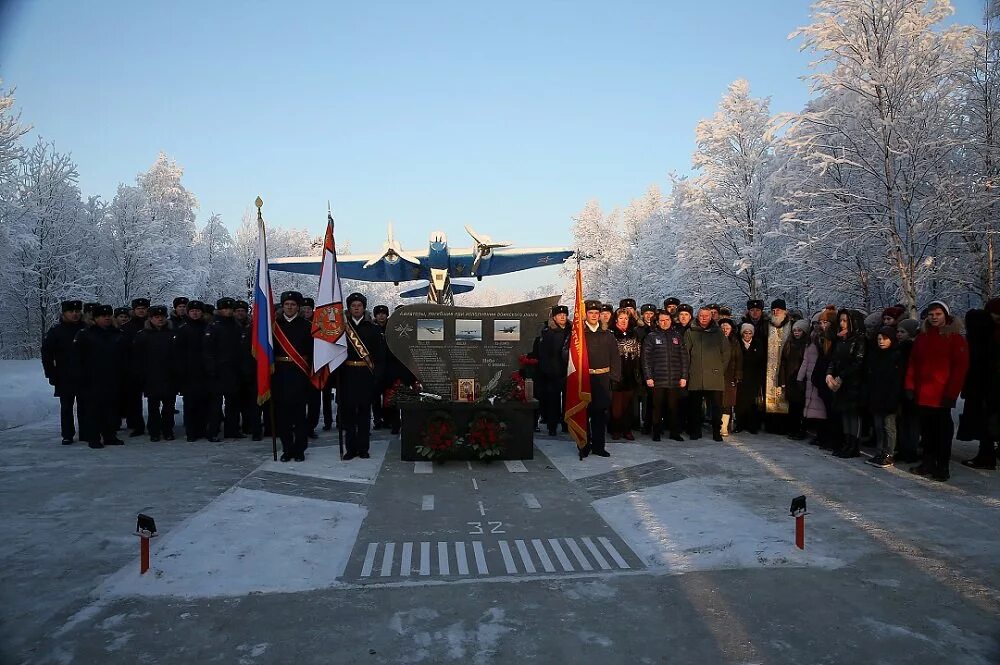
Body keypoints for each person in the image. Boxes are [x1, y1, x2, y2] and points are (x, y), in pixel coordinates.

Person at [905, 301, 969, 482]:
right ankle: (927, 462)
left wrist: (951, 394)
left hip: (941, 395)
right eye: (931, 315)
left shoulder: (955, 338)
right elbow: (913, 364)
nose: (934, 318)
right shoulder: (922, 337)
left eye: (938, 314)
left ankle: (942, 466)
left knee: (942, 433)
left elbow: (960, 369)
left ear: (946, 316)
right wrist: (909, 386)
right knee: (926, 433)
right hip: (923, 393)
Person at [337, 293, 385, 460]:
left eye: (359, 305)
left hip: (366, 375)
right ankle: (350, 448)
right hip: (347, 375)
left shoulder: (373, 329)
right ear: (349, 309)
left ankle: (363, 448)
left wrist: (376, 376)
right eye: (353, 306)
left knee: (364, 414)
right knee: (349, 415)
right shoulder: (342, 329)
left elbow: (380, 356)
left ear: (364, 308)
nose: (356, 308)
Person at [72, 304, 128, 448]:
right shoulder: (85, 334)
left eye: (109, 315)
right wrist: (80, 377)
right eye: (103, 316)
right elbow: (77, 358)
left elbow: (125, 356)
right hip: (92, 378)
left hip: (114, 377)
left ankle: (110, 436)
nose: (107, 318)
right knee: (93, 410)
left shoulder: (117, 333)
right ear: (95, 318)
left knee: (112, 409)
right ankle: (94, 437)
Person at [272, 291, 313, 462]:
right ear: (283, 306)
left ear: (298, 307)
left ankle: (300, 449)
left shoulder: (307, 325)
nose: (290, 307)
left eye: (293, 304)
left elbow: (312, 352)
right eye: (287, 304)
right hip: (280, 375)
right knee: (282, 417)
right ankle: (287, 449)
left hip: (300, 374)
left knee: (299, 416)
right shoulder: (274, 326)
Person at [962, 298, 1000, 470]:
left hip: (984, 385)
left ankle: (986, 456)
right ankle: (987, 455)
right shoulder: (988, 331)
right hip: (987, 385)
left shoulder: (982, 332)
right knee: (989, 422)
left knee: (988, 422)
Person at [41, 300, 85, 444]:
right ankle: (67, 434)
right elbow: (47, 354)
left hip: (85, 375)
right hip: (64, 375)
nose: (75, 314)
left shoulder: (86, 329)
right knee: (66, 406)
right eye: (71, 311)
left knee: (85, 405)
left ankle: (85, 432)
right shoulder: (56, 331)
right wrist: (51, 374)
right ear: (64, 313)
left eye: (77, 311)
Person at [580, 299, 621, 458]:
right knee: (584, 414)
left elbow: (615, 357)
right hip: (585, 379)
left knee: (600, 415)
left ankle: (599, 446)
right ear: (585, 315)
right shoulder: (579, 335)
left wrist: (614, 377)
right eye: (591, 313)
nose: (594, 315)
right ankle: (584, 445)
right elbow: (567, 355)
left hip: (603, 380)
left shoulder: (607, 335)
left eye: (597, 313)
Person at [132, 305, 178, 441]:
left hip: (170, 376)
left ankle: (168, 430)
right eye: (156, 317)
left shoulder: (173, 334)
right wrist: (140, 375)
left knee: (169, 407)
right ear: (150, 318)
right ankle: (154, 431)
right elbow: (137, 358)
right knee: (153, 407)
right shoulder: (142, 335)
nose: (160, 319)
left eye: (162, 317)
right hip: (151, 376)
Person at [826, 309, 868, 458]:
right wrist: (829, 374)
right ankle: (847, 442)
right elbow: (833, 359)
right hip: (840, 382)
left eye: (845, 321)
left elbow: (858, 362)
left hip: (853, 383)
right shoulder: (840, 339)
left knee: (853, 414)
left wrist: (841, 376)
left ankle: (854, 445)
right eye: (841, 320)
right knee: (844, 413)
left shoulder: (859, 339)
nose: (842, 324)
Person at [203, 297, 246, 441]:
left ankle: (232, 429)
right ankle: (212, 431)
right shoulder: (213, 326)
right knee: (215, 405)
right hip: (218, 371)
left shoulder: (236, 325)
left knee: (233, 404)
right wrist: (211, 369)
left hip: (233, 370)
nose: (227, 311)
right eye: (224, 309)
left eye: (229, 309)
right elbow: (208, 350)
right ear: (219, 310)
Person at [685, 306, 730, 441]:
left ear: (711, 317)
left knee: (716, 406)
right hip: (696, 375)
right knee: (695, 406)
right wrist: (688, 370)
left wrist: (720, 368)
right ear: (697, 317)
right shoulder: (690, 332)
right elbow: (685, 353)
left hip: (714, 375)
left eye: (706, 316)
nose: (703, 318)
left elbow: (726, 352)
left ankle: (716, 431)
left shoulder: (718, 332)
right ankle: (695, 430)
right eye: (701, 316)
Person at [642, 310, 688, 441]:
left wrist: (684, 376)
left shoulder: (677, 336)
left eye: (667, 320)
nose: (665, 323)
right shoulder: (651, 336)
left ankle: (675, 432)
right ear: (657, 322)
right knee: (657, 407)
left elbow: (684, 358)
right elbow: (646, 359)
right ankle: (656, 432)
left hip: (674, 379)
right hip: (657, 379)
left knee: (674, 407)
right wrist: (648, 377)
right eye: (662, 320)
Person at [864, 326, 904, 468]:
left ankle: (889, 453)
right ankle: (880, 451)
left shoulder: (896, 356)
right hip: (876, 396)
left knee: (889, 427)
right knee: (878, 427)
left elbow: (897, 381)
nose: (881, 341)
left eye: (885, 339)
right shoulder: (875, 355)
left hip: (890, 398)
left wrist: (894, 399)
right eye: (879, 338)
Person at [174, 300, 210, 442]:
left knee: (204, 402)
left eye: (198, 311)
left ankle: (202, 429)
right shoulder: (183, 329)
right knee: (190, 404)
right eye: (192, 311)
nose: (195, 313)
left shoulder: (208, 327)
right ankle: (191, 431)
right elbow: (177, 353)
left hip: (205, 371)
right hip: (189, 372)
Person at [609, 308, 642, 440]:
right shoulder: (611, 334)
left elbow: (638, 354)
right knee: (616, 406)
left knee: (628, 405)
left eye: (626, 318)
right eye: (621, 318)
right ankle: (616, 429)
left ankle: (627, 429)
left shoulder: (633, 334)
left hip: (630, 374)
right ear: (616, 319)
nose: (623, 321)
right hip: (616, 375)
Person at [539, 305, 571, 436]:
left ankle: (566, 425)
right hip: (554, 372)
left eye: (564, 315)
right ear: (554, 317)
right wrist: (548, 370)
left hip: (569, 371)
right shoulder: (549, 333)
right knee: (553, 401)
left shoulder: (572, 331)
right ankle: (552, 426)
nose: (562, 317)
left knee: (568, 401)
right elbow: (544, 354)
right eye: (559, 315)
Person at [777, 318, 810, 439]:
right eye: (795, 330)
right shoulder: (789, 343)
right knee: (792, 405)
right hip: (790, 378)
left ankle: (801, 430)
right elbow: (783, 362)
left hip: (801, 379)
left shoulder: (807, 345)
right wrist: (783, 380)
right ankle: (793, 428)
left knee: (801, 405)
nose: (796, 333)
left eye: (799, 330)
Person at [894, 318, 921, 462]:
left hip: (910, 390)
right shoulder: (900, 347)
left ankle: (911, 449)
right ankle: (905, 448)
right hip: (901, 389)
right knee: (903, 421)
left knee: (911, 422)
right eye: (897, 331)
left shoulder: (910, 348)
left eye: (902, 332)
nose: (898, 334)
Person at [763, 299, 791, 431]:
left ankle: (783, 425)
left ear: (784, 311)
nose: (775, 312)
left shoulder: (791, 325)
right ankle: (771, 424)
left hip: (785, 364)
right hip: (770, 365)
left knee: (783, 395)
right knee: (771, 396)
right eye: (773, 310)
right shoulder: (767, 325)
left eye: (778, 310)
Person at [735, 323, 765, 433]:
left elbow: (761, 361)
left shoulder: (758, 344)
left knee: (753, 402)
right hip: (741, 376)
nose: (747, 335)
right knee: (740, 402)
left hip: (754, 377)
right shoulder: (737, 343)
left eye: (749, 333)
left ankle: (753, 425)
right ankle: (740, 424)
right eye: (745, 333)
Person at [718, 317, 741, 437]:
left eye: (727, 328)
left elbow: (739, 359)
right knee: (717, 401)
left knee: (727, 401)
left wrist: (737, 375)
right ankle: (716, 423)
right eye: (723, 328)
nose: (725, 330)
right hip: (716, 374)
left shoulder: (735, 342)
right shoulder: (714, 341)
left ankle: (724, 426)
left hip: (730, 375)